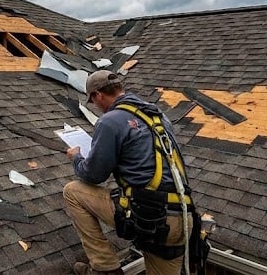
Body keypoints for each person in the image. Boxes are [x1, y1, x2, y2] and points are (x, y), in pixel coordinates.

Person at [64, 70, 195, 275]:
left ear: (98, 94)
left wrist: (77, 158)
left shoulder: (110, 121)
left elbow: (93, 175)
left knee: (72, 191)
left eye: (93, 100)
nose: (96, 107)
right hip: (182, 219)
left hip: (149, 217)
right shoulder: (158, 116)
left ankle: (105, 267)